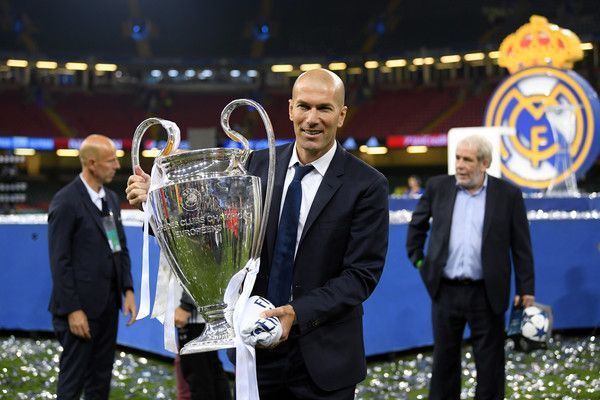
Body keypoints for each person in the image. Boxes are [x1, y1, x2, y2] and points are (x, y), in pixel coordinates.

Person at [126, 68, 390, 399]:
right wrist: (160, 206)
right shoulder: (254, 166)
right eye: (304, 106)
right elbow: (214, 236)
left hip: (325, 360)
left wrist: (296, 313)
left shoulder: (367, 185)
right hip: (255, 353)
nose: (311, 118)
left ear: (341, 115)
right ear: (291, 108)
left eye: (324, 108)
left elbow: (360, 275)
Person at [406, 134, 535, 400]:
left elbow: (521, 247)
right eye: (458, 158)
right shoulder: (437, 186)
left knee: (490, 367)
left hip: (487, 294)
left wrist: (526, 289)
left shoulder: (508, 195)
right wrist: (421, 261)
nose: (460, 166)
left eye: (468, 159)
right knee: (444, 364)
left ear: (485, 163)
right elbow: (416, 226)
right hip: (445, 291)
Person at [48, 134, 137, 399]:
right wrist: (73, 310)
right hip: (79, 312)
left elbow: (118, 246)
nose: (117, 167)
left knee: (101, 379)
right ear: (91, 163)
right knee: (73, 381)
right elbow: (59, 261)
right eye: (111, 161)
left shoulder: (109, 199)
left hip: (107, 308)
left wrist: (128, 289)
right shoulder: (66, 202)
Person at [175, 291, 232, 400]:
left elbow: (197, 273)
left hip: (193, 313)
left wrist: (186, 304)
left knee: (199, 378)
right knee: (212, 370)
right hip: (202, 308)